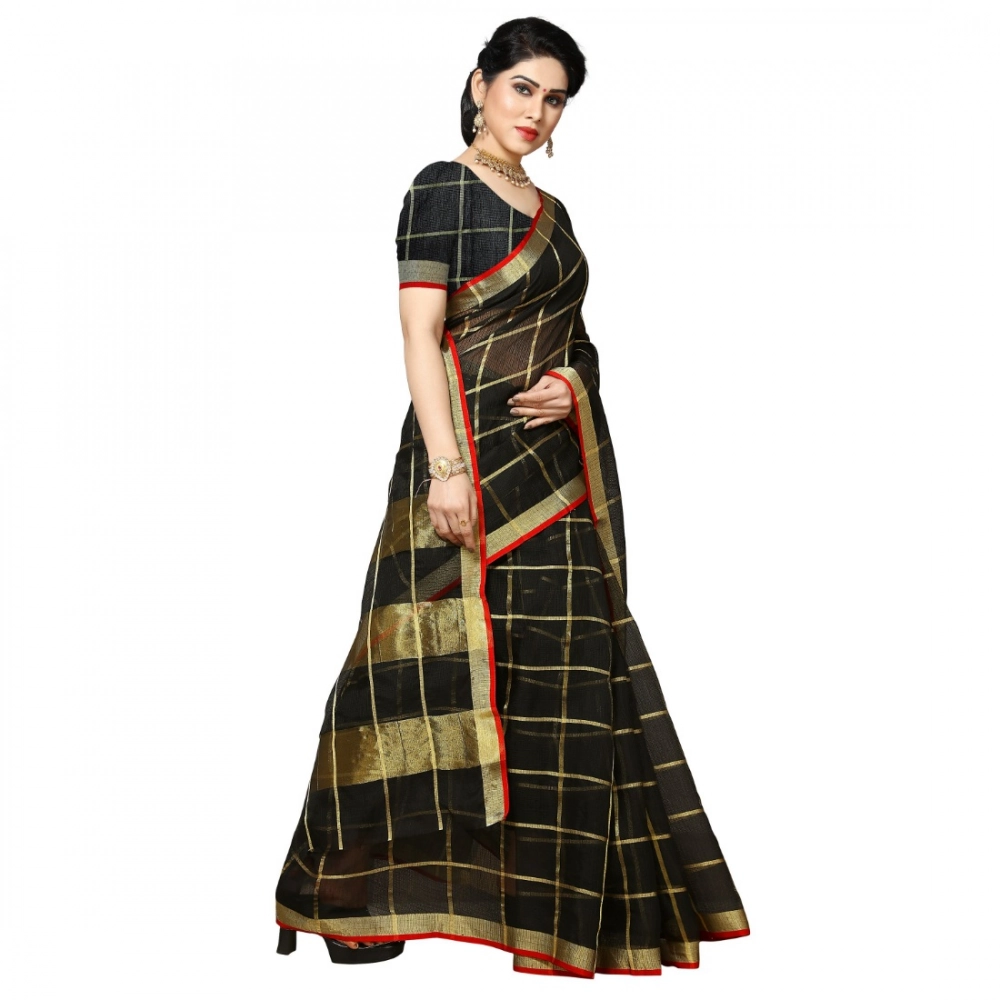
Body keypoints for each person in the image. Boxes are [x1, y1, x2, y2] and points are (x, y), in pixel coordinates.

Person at [274, 16, 750, 977]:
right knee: (405, 672)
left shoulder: (555, 215)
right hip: (459, 473)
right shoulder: (439, 189)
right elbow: (420, 336)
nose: (537, 111)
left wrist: (571, 386)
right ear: (480, 84)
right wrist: (447, 471)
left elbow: (579, 345)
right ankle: (347, 895)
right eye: (523, 87)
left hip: (552, 480)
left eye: (556, 98)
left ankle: (559, 907)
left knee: (565, 676)